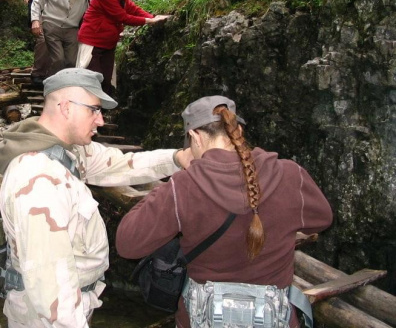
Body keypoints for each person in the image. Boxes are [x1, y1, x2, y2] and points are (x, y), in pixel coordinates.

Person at [0, 68, 194, 327]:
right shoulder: (39, 180)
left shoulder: (68, 152)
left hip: (75, 303)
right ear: (65, 107)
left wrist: (177, 158)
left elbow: (122, 164)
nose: (100, 121)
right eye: (94, 109)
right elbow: (50, 289)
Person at [116, 96, 333, 328]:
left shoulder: (183, 187)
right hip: (275, 319)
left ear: (195, 137)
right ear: (237, 129)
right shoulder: (290, 175)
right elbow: (321, 219)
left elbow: (127, 244)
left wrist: (165, 189)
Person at [76, 0, 171, 96]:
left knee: (107, 79)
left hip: (107, 43)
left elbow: (133, 9)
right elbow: (122, 17)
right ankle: (87, 111)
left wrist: (153, 17)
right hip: (92, 42)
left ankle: (103, 111)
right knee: (92, 78)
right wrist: (148, 21)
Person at [31, 0, 93, 77]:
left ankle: (65, 84)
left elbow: (92, 11)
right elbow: (38, 1)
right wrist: (35, 20)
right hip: (51, 24)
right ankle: (47, 80)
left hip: (72, 29)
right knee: (58, 59)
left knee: (71, 62)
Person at [22, 0, 69, 85]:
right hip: (38, 8)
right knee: (42, 39)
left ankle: (47, 72)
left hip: (51, 10)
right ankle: (37, 74)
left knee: (53, 39)